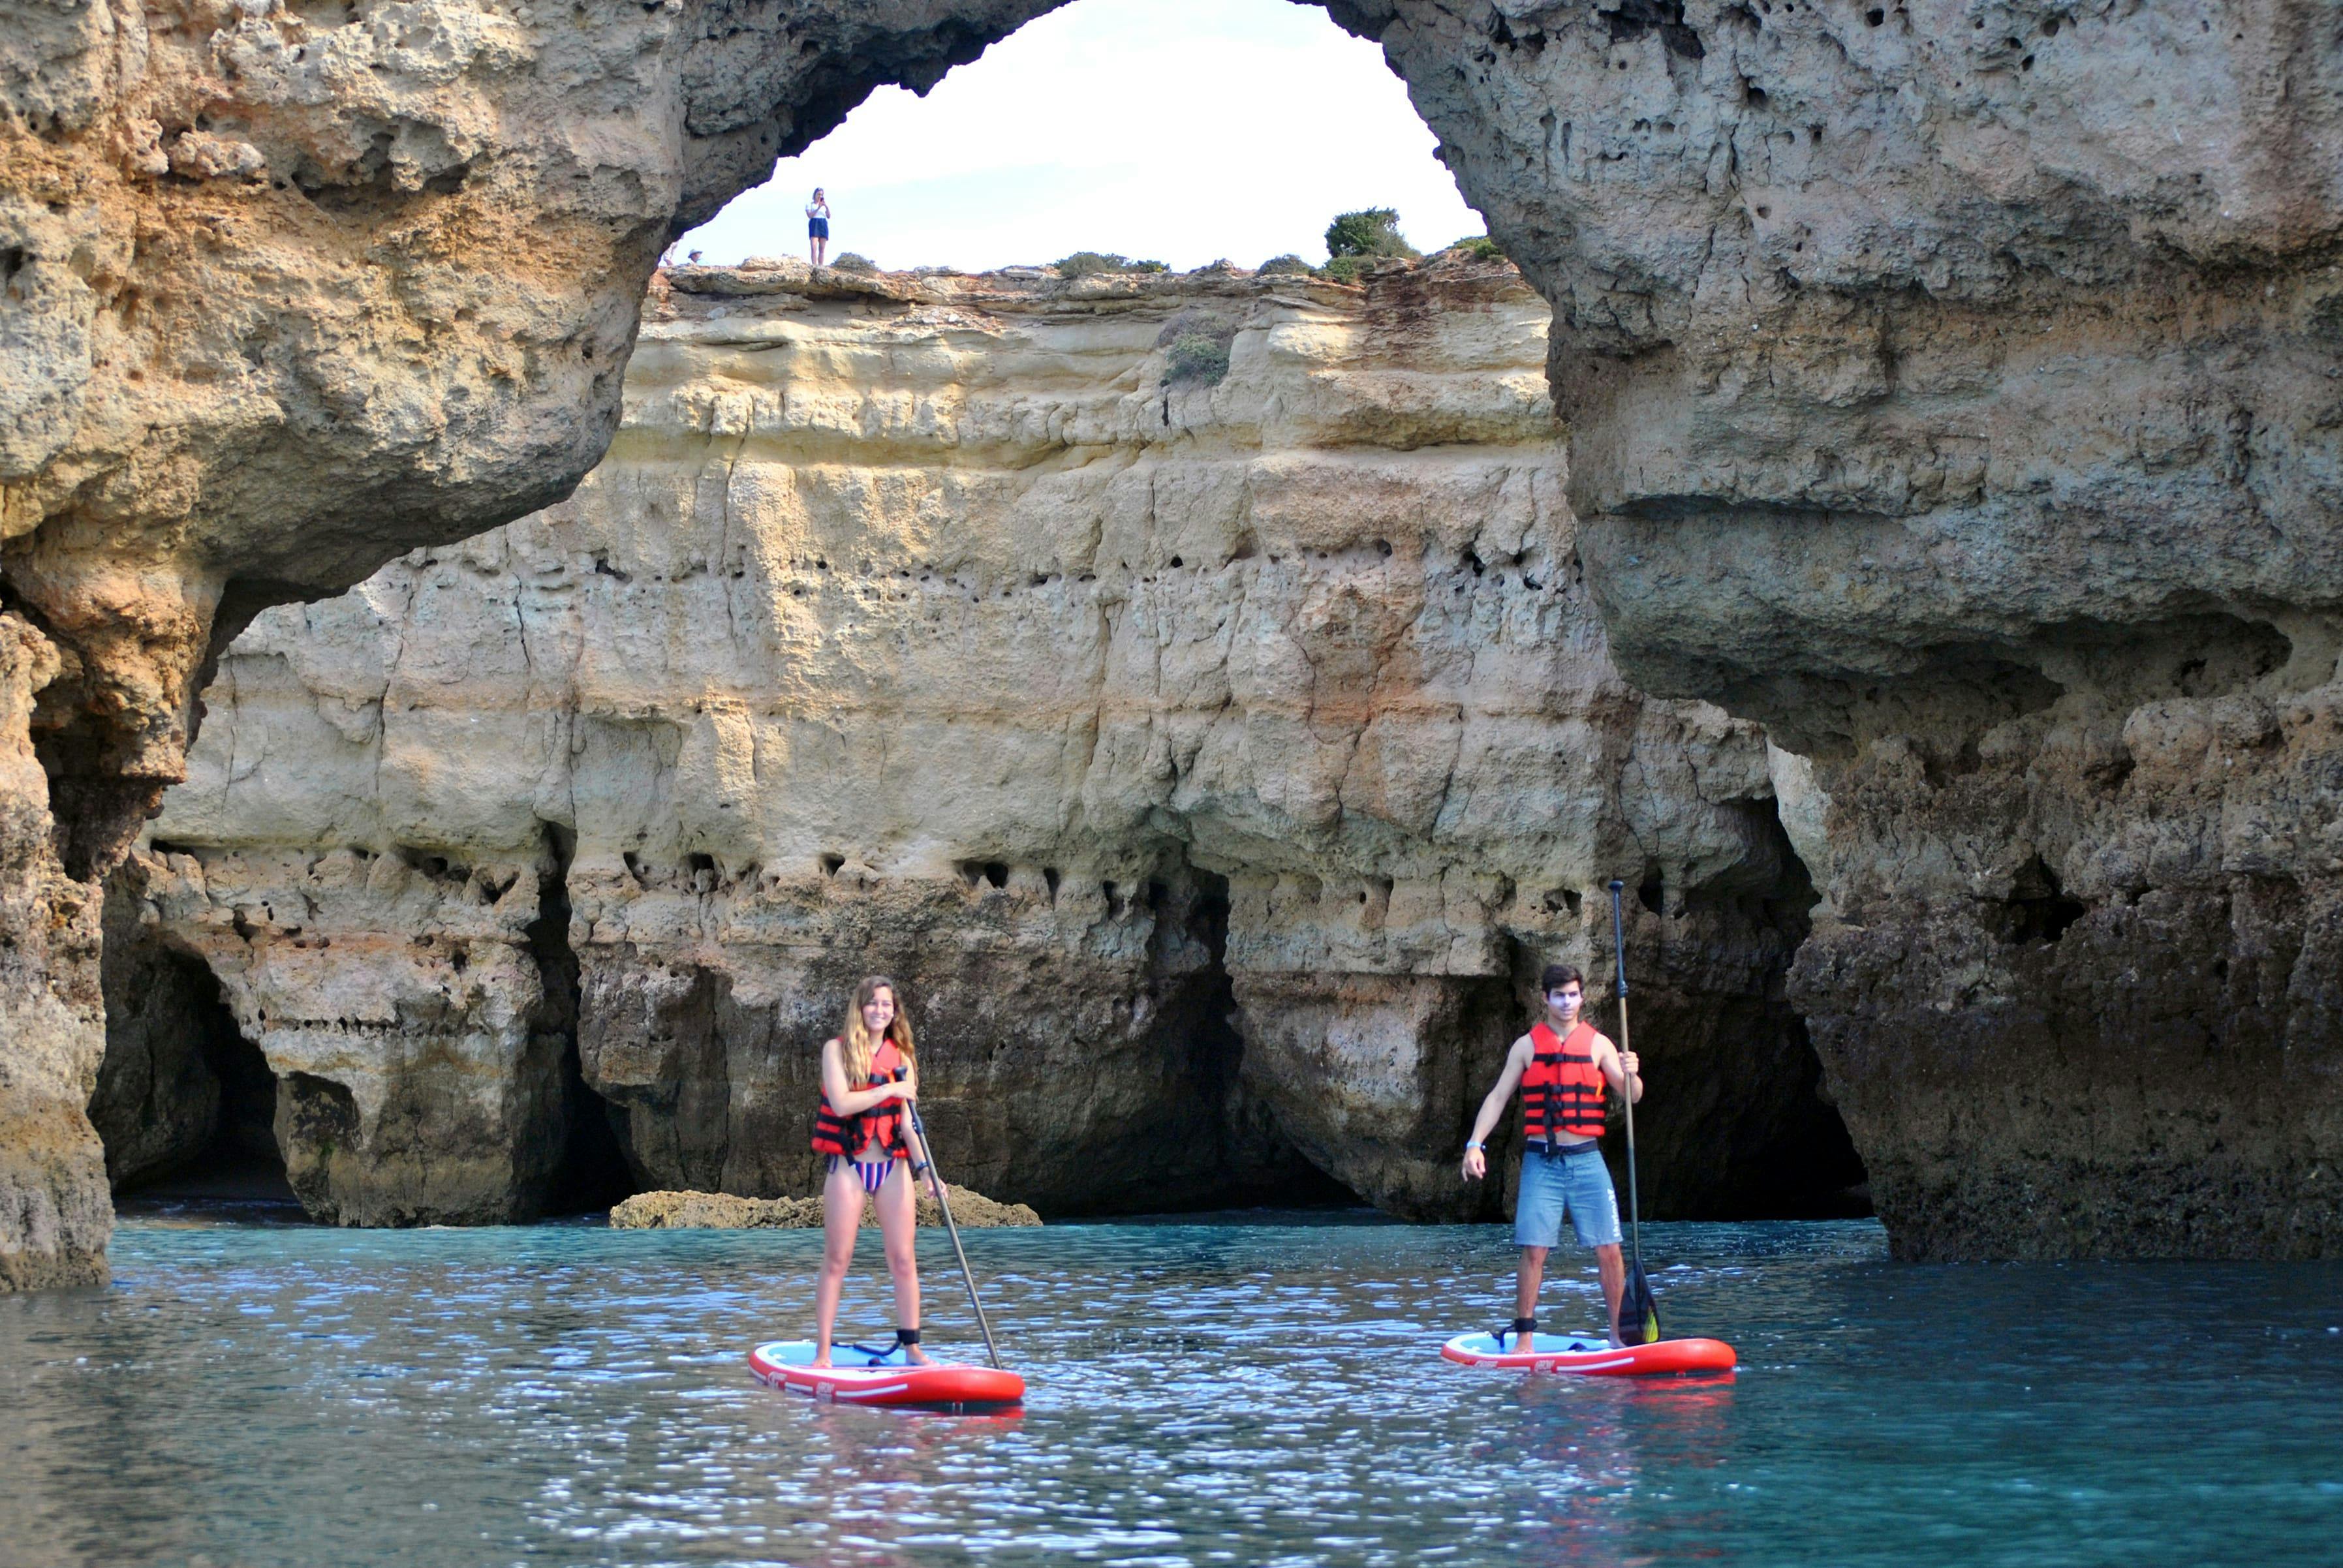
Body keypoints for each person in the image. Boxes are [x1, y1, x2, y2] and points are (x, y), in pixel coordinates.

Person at [1460, 962, 1643, 1349]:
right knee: (1534, 1250)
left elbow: (1633, 1096)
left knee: (1610, 1249)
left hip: (1587, 1160)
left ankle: (1618, 1336)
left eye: (1573, 994)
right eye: (1559, 995)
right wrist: (1475, 1144)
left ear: (1582, 997)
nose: (1566, 1002)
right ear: (1546, 998)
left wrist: (1632, 1072)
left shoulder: (1599, 1044)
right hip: (1542, 1161)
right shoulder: (1526, 1046)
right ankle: (1525, 1340)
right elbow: (1498, 1097)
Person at [809, 974, 933, 1367]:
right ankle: (823, 1353)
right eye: (873, 1003)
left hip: (893, 1166)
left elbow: (910, 1123)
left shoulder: (903, 1061)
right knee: (837, 1259)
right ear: (860, 1008)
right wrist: (889, 1090)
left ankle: (912, 1349)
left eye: (887, 1005)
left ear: (894, 1013)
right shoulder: (836, 1051)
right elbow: (843, 1104)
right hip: (850, 1164)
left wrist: (927, 1170)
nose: (881, 1010)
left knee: (903, 1259)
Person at [805, 188, 831, 268]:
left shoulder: (824, 205)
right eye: (818, 194)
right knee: (814, 247)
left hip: (823, 224)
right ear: (815, 195)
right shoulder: (810, 205)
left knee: (822, 248)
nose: (820, 196)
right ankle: (814, 265)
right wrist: (818, 207)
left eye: (821, 195)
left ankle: (821, 266)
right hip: (814, 223)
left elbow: (829, 216)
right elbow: (810, 216)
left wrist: (826, 207)